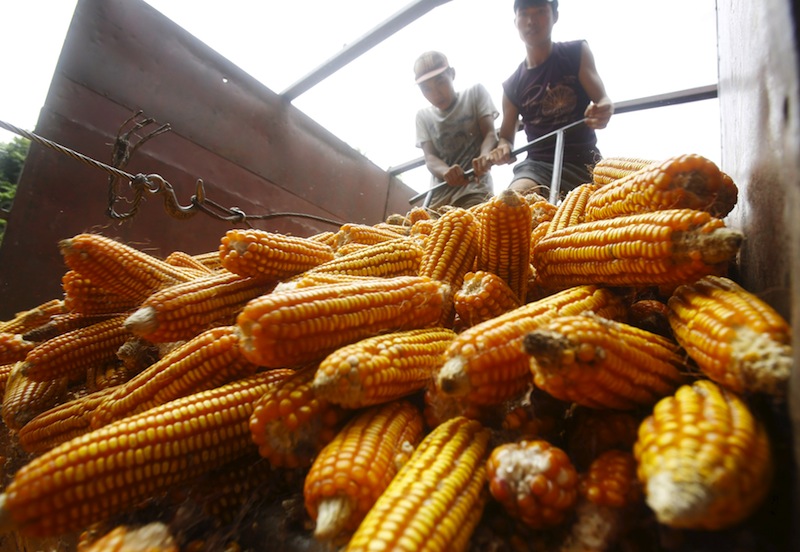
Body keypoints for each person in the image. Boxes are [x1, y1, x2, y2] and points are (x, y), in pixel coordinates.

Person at [482, 0, 614, 200]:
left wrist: (604, 109)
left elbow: (602, 99)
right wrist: (503, 148)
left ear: (555, 16)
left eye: (540, 12)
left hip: (584, 159)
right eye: (524, 14)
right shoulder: (512, 85)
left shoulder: (576, 53)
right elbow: (506, 138)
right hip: (537, 165)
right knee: (513, 200)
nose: (531, 21)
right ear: (515, 21)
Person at [413, 51, 499, 209]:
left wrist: (484, 155)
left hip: (475, 191)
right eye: (427, 89)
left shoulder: (475, 94)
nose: (436, 94)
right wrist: (446, 171)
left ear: (452, 74)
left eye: (440, 82)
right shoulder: (423, 116)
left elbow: (490, 134)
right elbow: (430, 157)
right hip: (438, 199)